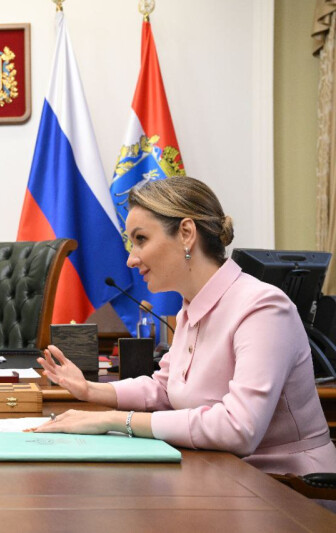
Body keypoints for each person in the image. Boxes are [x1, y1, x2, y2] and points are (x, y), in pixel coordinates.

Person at [31, 176, 336, 477]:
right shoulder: (191, 308)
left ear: (186, 233)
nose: (131, 260)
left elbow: (239, 428)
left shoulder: (263, 308)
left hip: (288, 486)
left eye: (141, 240)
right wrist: (89, 389)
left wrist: (117, 420)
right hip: (222, 473)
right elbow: (165, 389)